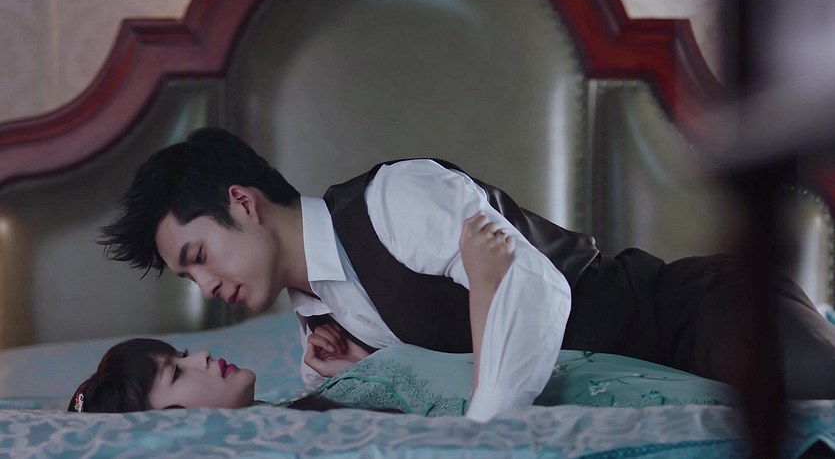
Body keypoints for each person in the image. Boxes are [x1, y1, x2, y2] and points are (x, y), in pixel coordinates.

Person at [99, 127, 835, 421]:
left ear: (243, 203)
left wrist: (483, 437)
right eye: (189, 282)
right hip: (634, 389)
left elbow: (534, 289)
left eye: (198, 259)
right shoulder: (320, 329)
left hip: (690, 315)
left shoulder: (395, 199)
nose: (206, 289)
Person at [71, 222, 739, 414]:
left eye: (177, 355)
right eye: (175, 372)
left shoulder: (297, 406)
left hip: (690, 303)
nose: (197, 355)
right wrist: (483, 294)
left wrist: (366, 368)